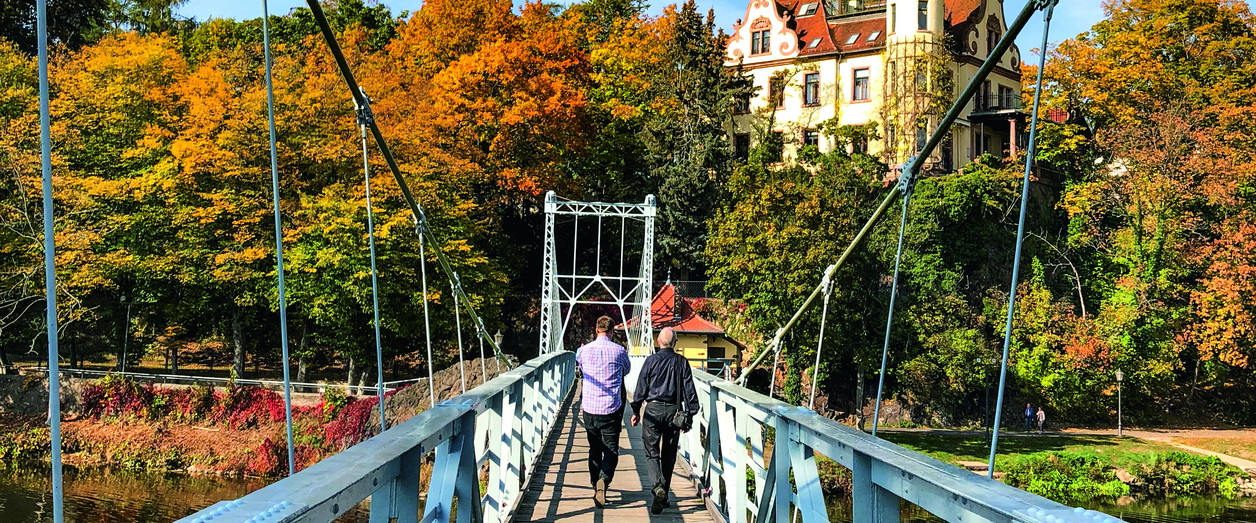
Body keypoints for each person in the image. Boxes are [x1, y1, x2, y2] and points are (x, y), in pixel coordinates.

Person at [630, 327, 699, 514]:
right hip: (673, 413)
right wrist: (690, 415)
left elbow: (640, 388)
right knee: (668, 456)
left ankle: (657, 487)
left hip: (652, 410)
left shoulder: (650, 361)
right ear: (675, 343)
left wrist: (636, 410)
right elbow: (689, 390)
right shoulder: (682, 362)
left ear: (659, 342)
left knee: (651, 452)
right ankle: (663, 495)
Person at [575, 315, 631, 508]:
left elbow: (580, 368)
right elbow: (627, 370)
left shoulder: (582, 351)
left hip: (589, 408)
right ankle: (604, 480)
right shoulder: (619, 351)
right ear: (612, 331)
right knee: (612, 450)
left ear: (596, 330)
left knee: (594, 448)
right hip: (611, 409)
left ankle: (594, 482)